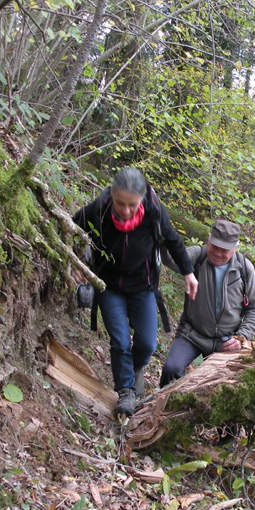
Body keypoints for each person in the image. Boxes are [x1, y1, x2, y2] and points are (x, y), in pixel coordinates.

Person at [73, 167, 199, 416]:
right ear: (112, 194)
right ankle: (126, 392)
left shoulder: (153, 211)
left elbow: (173, 240)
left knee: (146, 343)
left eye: (132, 204)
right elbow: (73, 226)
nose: (126, 210)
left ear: (142, 199)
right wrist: (75, 260)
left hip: (143, 287)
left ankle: (131, 369)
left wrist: (188, 272)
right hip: (109, 286)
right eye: (121, 203)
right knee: (120, 341)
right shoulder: (99, 209)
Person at [160, 220, 255, 386]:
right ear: (209, 240)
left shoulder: (244, 268)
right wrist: (164, 241)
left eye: (225, 250)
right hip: (192, 334)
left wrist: (242, 335)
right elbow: (173, 259)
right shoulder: (198, 256)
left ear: (235, 248)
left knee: (221, 387)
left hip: (228, 340)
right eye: (215, 247)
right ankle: (158, 408)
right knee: (171, 369)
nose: (218, 253)